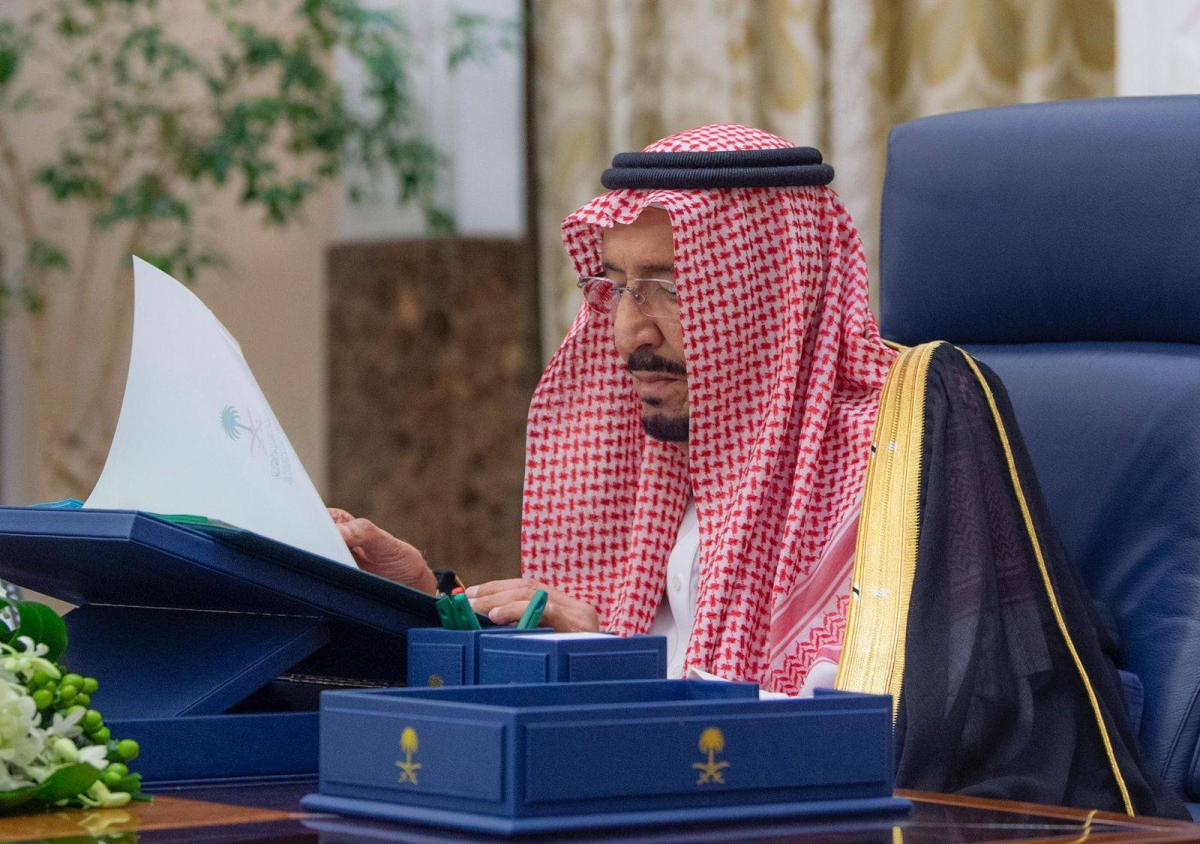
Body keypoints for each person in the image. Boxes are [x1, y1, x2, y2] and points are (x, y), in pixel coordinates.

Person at [330, 124, 1186, 818]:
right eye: (619, 286)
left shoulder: (910, 433)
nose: (630, 330)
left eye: (670, 287)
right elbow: (596, 676)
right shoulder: (657, 459)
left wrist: (614, 670)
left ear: (768, 289)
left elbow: (910, 739)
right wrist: (430, 604)